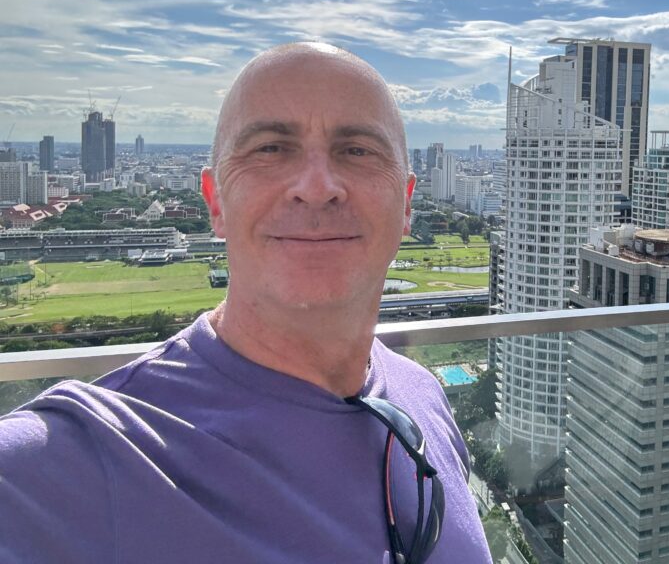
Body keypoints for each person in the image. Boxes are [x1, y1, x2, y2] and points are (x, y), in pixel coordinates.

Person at [0, 43, 493, 563]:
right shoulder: (80, 458)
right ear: (215, 201)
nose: (318, 187)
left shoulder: (423, 398)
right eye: (270, 149)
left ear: (407, 204)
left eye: (357, 151)